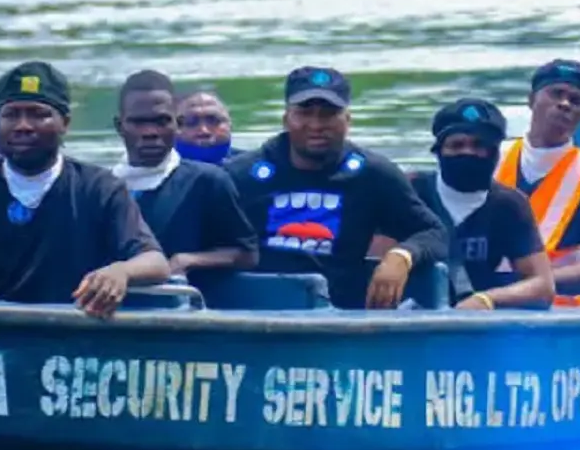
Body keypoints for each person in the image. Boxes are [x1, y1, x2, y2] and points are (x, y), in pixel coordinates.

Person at [0, 61, 171, 317]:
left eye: (37, 114)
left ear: (64, 122)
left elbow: (155, 262)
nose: (23, 126)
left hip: (74, 336)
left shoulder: (99, 188)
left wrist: (121, 271)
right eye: (11, 114)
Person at [225, 66, 448, 310]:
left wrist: (402, 256)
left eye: (328, 114)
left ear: (347, 120)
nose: (316, 124)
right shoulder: (241, 175)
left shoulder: (374, 174)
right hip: (254, 310)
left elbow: (434, 232)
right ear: (286, 119)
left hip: (339, 314)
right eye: (305, 113)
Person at [405, 98, 554, 310]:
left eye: (479, 145)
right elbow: (376, 264)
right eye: (457, 145)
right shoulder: (410, 191)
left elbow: (542, 286)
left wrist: (488, 299)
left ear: (495, 153)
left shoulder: (509, 205)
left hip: (478, 322)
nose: (468, 153)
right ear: (439, 151)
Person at [495, 59, 580, 293]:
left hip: (559, 313)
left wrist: (526, 285)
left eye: (576, 101)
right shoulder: (492, 159)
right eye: (556, 94)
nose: (565, 104)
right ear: (531, 100)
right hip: (481, 304)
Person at [112, 70, 258, 281]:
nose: (150, 132)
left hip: (190, 305)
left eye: (161, 121)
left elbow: (248, 254)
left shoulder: (208, 182)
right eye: (138, 122)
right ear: (120, 127)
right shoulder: (101, 187)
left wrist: (188, 260)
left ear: (177, 124)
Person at [175, 90, 242, 164]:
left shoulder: (248, 166)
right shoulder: (164, 170)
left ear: (230, 124)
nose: (204, 130)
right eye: (190, 122)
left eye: (214, 121)